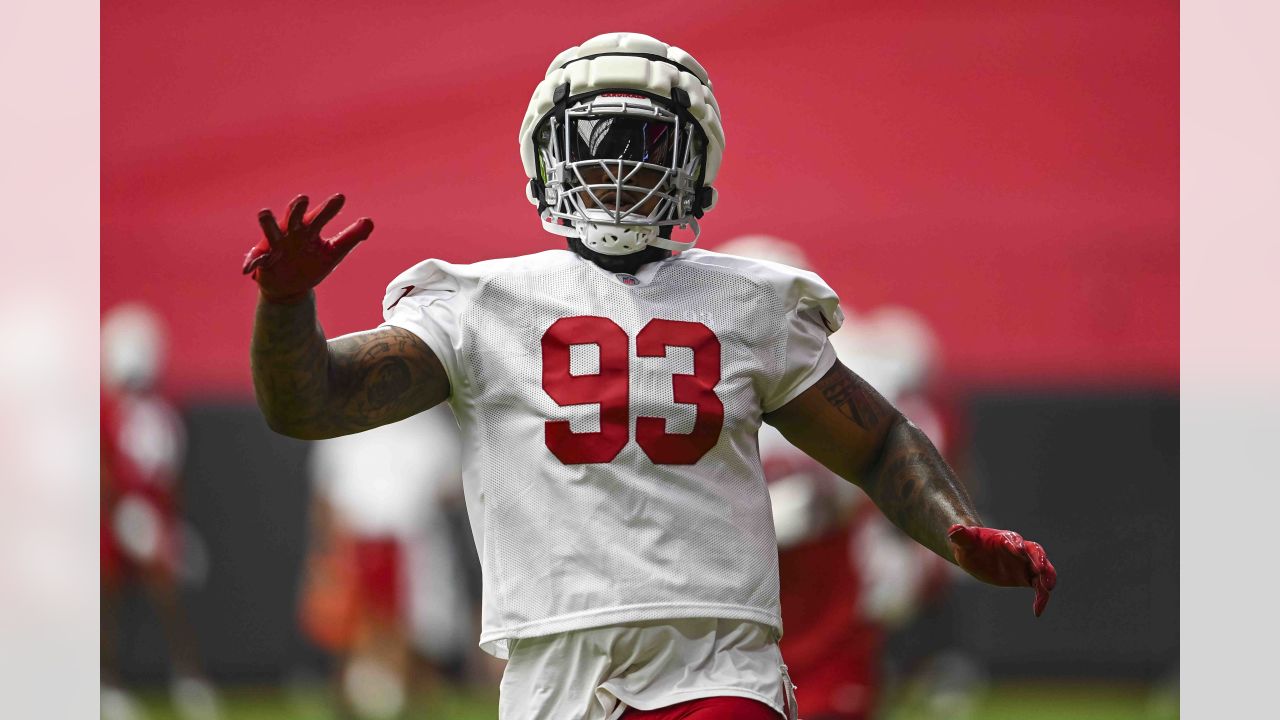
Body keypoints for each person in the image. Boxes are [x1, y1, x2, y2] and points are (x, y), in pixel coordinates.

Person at [242, 32, 1056, 720]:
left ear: (696, 160)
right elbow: (312, 403)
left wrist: (951, 526)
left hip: (716, 659)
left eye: (646, 143)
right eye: (596, 143)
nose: (620, 167)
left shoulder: (752, 300)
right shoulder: (478, 301)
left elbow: (877, 441)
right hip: (554, 663)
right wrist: (285, 306)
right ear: (545, 156)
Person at [101, 303, 220, 720]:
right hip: (113, 515)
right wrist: (120, 509)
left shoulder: (162, 414)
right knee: (108, 599)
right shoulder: (107, 412)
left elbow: (170, 474)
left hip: (152, 515)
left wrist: (169, 525)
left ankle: (189, 680)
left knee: (168, 596)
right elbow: (102, 467)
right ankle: (107, 685)